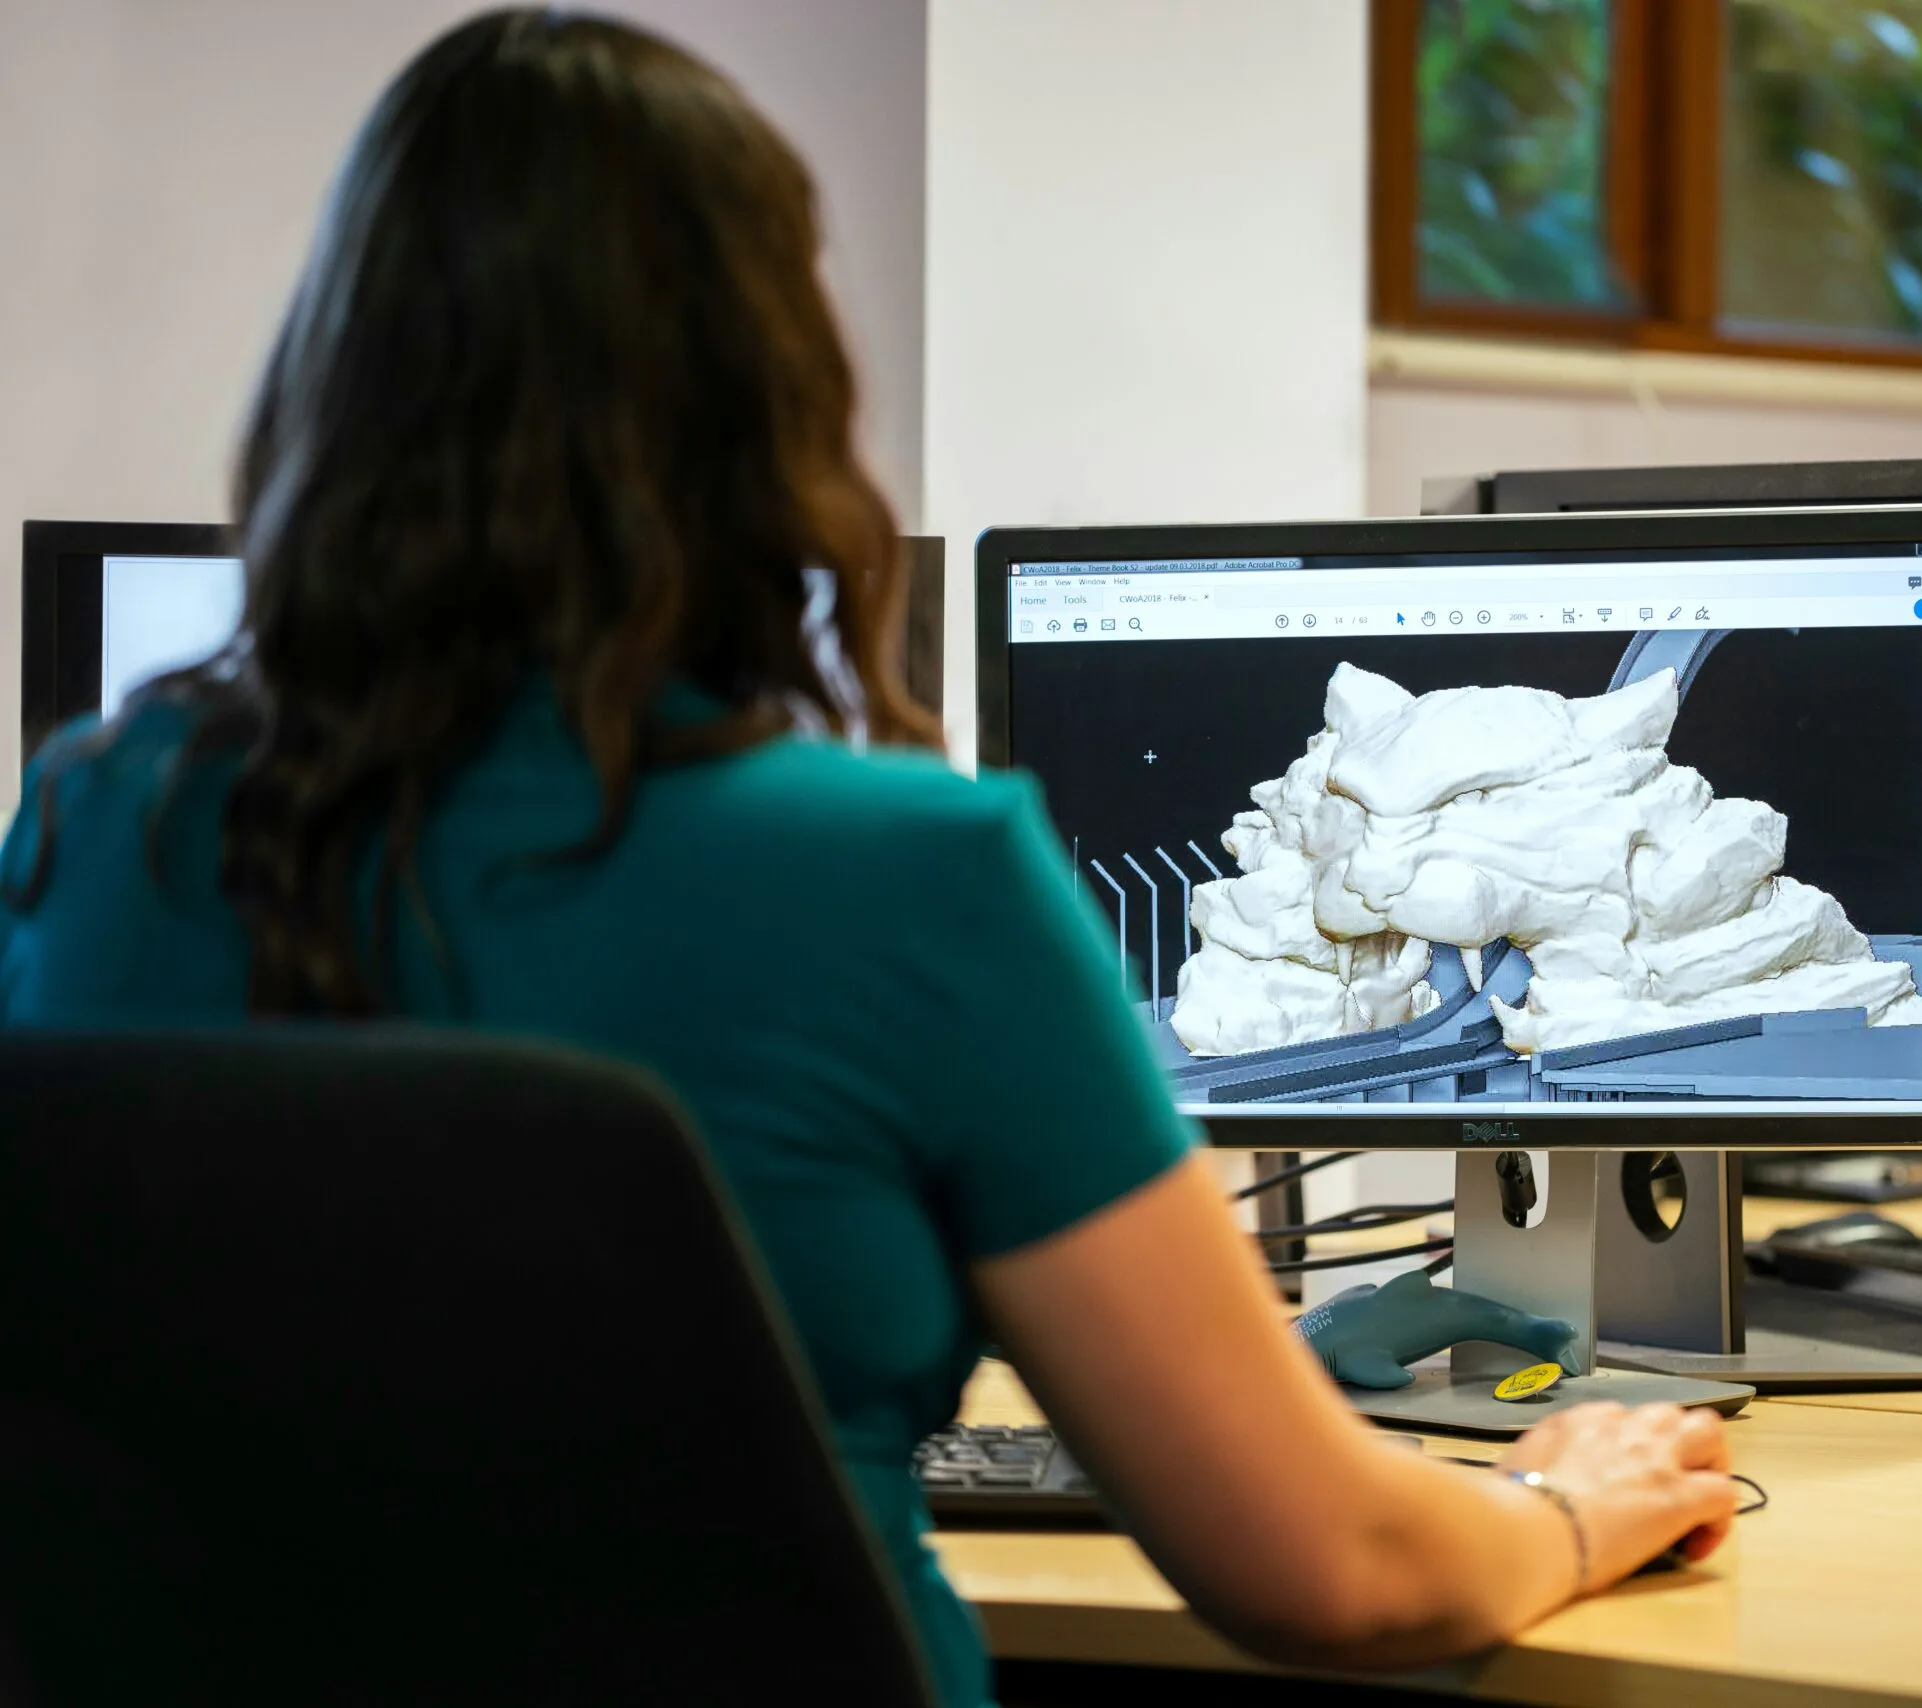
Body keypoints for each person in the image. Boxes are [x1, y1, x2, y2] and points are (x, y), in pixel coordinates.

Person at [0, 11, 1736, 1705]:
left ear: (322, 400)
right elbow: (1335, 1577)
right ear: (775, 406)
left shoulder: (90, 826)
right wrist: (1564, 1505)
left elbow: (390, 1383)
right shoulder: (911, 879)